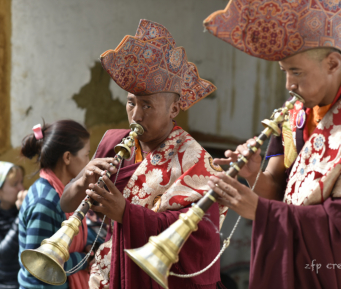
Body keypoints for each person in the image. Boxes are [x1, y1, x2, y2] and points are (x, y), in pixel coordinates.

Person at [203, 0, 341, 288]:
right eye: (285, 71)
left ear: (333, 63)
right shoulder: (294, 115)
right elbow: (276, 189)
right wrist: (252, 174)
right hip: (294, 254)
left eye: (296, 72)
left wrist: (262, 213)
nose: (288, 84)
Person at [60, 20, 227, 289]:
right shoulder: (115, 142)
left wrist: (127, 213)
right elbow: (67, 205)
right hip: (108, 273)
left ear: (174, 109)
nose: (136, 115)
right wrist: (81, 180)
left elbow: (201, 235)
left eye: (147, 104)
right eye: (131, 102)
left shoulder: (194, 160)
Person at [19, 120, 93, 289]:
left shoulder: (63, 193)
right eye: (86, 154)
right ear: (67, 157)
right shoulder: (45, 203)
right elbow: (38, 266)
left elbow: (74, 237)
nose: (88, 162)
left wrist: (88, 245)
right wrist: (84, 258)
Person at [0, 162, 27, 289]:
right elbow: (3, 254)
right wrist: (21, 216)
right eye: (15, 184)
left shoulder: (17, 208)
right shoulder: (20, 212)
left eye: (21, 182)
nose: (21, 188)